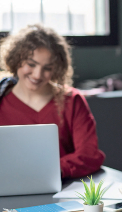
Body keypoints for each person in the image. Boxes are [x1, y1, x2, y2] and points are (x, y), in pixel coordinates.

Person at [0, 24, 105, 179]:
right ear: (16, 59)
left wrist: (51, 171)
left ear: (57, 69)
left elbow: (89, 155)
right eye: (31, 64)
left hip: (63, 188)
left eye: (47, 68)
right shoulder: (2, 100)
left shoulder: (72, 100)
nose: (37, 74)